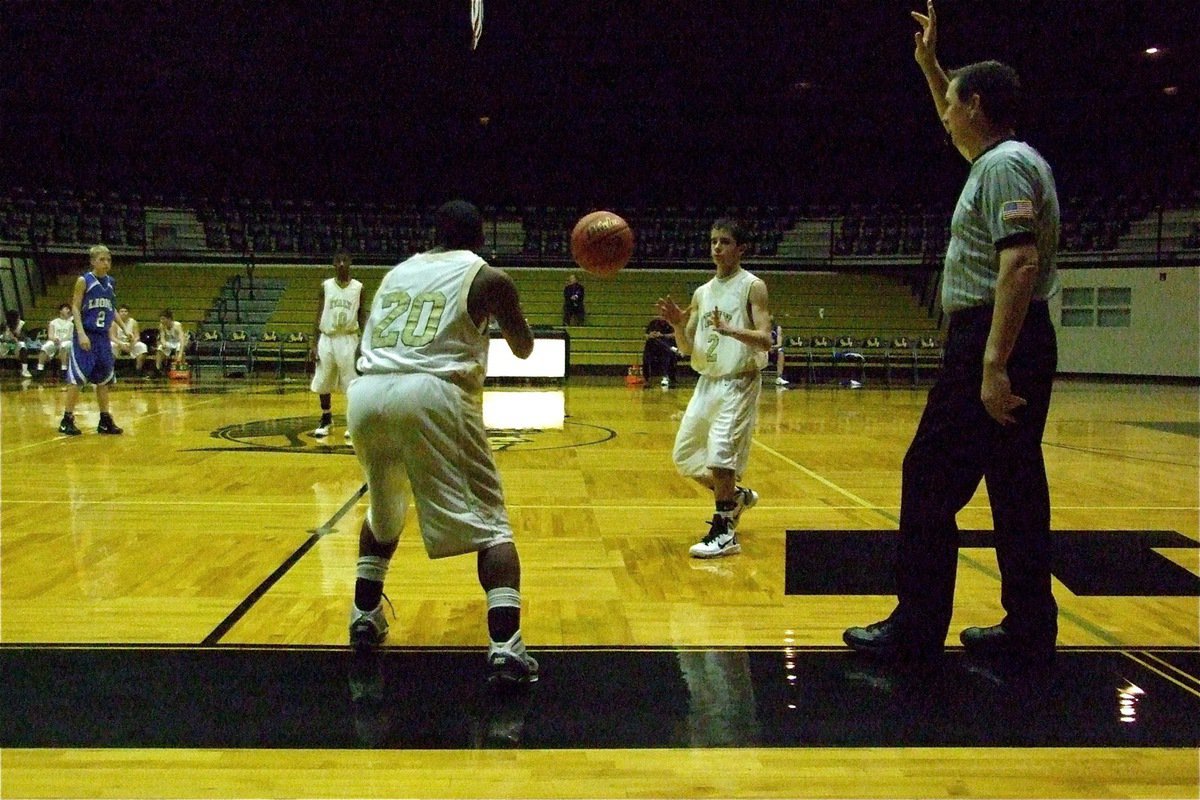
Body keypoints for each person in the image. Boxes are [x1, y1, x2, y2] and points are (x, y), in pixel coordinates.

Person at [843, 1, 1061, 663]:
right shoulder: (1011, 158)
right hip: (1021, 336)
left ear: (974, 106)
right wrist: (931, 65)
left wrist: (993, 362)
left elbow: (1018, 261)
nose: (945, 112)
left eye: (951, 101)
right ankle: (1028, 625)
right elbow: (952, 111)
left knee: (928, 477)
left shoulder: (999, 169)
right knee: (1015, 483)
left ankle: (916, 626)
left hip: (994, 340)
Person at [346, 199, 538, 689]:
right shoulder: (487, 277)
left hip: (366, 392)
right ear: (479, 238)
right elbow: (524, 347)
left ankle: (363, 616)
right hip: (429, 392)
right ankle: (505, 647)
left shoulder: (396, 272)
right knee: (491, 525)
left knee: (383, 511)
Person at [655, 219, 774, 559]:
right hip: (707, 382)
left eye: (724, 241)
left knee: (722, 456)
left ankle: (724, 533)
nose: (717, 247)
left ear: (741, 249)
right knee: (685, 457)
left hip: (740, 379)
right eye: (713, 242)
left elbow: (766, 339)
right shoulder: (702, 292)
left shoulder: (753, 286)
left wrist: (732, 330)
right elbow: (689, 349)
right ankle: (735, 497)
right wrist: (678, 325)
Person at [59, 244, 123, 436]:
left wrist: (122, 327)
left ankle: (104, 419)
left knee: (103, 379)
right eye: (102, 259)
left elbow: (111, 308)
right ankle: (67, 418)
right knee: (78, 378)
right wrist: (81, 333)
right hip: (86, 333)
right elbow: (76, 308)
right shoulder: (84, 280)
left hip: (102, 337)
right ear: (93, 261)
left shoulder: (110, 282)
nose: (106, 263)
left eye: (109, 260)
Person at [309, 250, 364, 440]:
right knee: (323, 380)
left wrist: (364, 341)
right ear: (333, 263)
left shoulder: (359, 287)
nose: (341, 264)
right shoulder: (325, 286)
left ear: (350, 263)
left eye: (345, 260)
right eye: (338, 260)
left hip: (349, 338)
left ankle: (352, 422)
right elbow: (318, 314)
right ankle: (326, 418)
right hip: (327, 338)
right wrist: (313, 343)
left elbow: (362, 314)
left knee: (352, 383)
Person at [37, 303, 74, 378]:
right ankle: (40, 369)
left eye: (69, 309)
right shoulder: (53, 322)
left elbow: (70, 336)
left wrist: (61, 340)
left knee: (64, 346)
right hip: (54, 341)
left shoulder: (71, 324)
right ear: (60, 311)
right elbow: (50, 335)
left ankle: (63, 369)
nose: (68, 310)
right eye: (66, 309)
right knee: (45, 347)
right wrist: (54, 339)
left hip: (66, 341)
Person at [642, 315, 679, 388]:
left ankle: (666, 376)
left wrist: (662, 335)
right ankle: (671, 348)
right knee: (654, 341)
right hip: (653, 348)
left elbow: (675, 335)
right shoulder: (653, 323)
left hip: (665, 348)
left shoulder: (671, 324)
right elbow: (645, 335)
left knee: (666, 354)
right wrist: (650, 335)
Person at [112, 305, 148, 374]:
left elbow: (137, 336)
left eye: (125, 311)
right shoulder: (114, 322)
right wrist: (121, 344)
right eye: (121, 311)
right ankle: (110, 370)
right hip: (118, 343)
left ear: (128, 313)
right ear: (118, 313)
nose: (123, 313)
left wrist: (132, 344)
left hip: (130, 343)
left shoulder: (133, 322)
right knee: (111, 345)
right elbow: (112, 337)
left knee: (142, 346)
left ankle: (138, 370)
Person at [154, 309, 188, 375]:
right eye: (161, 319)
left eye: (163, 319)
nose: (161, 321)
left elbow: (182, 340)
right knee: (160, 348)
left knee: (179, 348)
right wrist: (163, 344)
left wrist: (180, 354)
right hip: (170, 343)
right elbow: (162, 338)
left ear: (169, 319)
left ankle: (179, 369)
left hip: (179, 342)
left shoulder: (177, 325)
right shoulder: (161, 326)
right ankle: (158, 368)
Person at [1, 309, 32, 378]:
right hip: (5, 344)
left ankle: (24, 370)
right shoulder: (4, 324)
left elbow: (23, 338)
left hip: (16, 344)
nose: (19, 318)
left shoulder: (22, 324)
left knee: (22, 345)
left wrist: (16, 335)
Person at [767, 316, 789, 386]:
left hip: (773, 350)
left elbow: (779, 344)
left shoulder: (777, 328)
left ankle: (779, 377)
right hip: (763, 349)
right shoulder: (759, 326)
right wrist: (767, 348)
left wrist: (772, 347)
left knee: (781, 351)